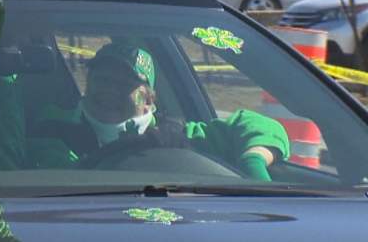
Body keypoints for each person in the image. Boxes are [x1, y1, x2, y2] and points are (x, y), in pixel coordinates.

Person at [26, 43, 290, 180]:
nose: (109, 91)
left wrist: (252, 164)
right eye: (102, 80)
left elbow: (259, 125)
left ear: (149, 98)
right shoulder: (51, 129)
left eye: (124, 84)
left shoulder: (179, 135)